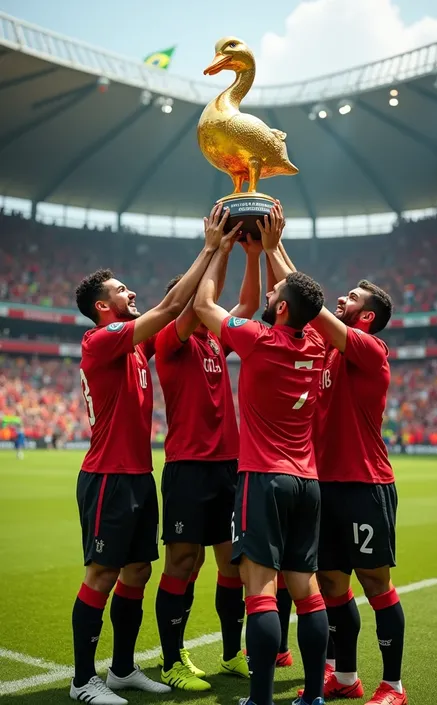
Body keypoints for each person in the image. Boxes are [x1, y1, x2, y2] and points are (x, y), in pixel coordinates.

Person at [70, 222, 230, 705]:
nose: (131, 290)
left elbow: (181, 310)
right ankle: (82, 680)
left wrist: (219, 254)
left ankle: (120, 670)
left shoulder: (136, 344)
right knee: (101, 574)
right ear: (104, 307)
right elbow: (167, 308)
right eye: (121, 289)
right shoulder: (101, 341)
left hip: (138, 477)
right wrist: (209, 247)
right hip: (107, 478)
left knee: (136, 571)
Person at [194, 203, 328, 705]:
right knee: (307, 590)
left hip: (263, 478)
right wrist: (269, 252)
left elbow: (206, 306)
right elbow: (296, 294)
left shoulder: (257, 341)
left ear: (283, 310)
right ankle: (312, 696)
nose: (268, 295)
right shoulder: (315, 341)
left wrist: (219, 247)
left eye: (274, 295)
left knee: (261, 591)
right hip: (307, 482)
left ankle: (262, 699)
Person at [276, 240, 407, 705]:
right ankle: (346, 676)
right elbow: (304, 297)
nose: (341, 299)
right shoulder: (328, 349)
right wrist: (274, 249)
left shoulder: (371, 349)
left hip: (364, 485)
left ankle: (393, 686)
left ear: (366, 316)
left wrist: (274, 246)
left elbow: (312, 304)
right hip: (324, 487)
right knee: (332, 584)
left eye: (351, 298)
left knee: (376, 584)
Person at [155, 204, 261, 690]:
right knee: (184, 563)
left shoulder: (217, 341)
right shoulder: (169, 341)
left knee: (231, 564)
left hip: (227, 468)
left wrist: (251, 255)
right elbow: (195, 302)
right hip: (189, 468)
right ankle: (173, 661)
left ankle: (231, 654)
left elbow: (249, 304)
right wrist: (214, 250)